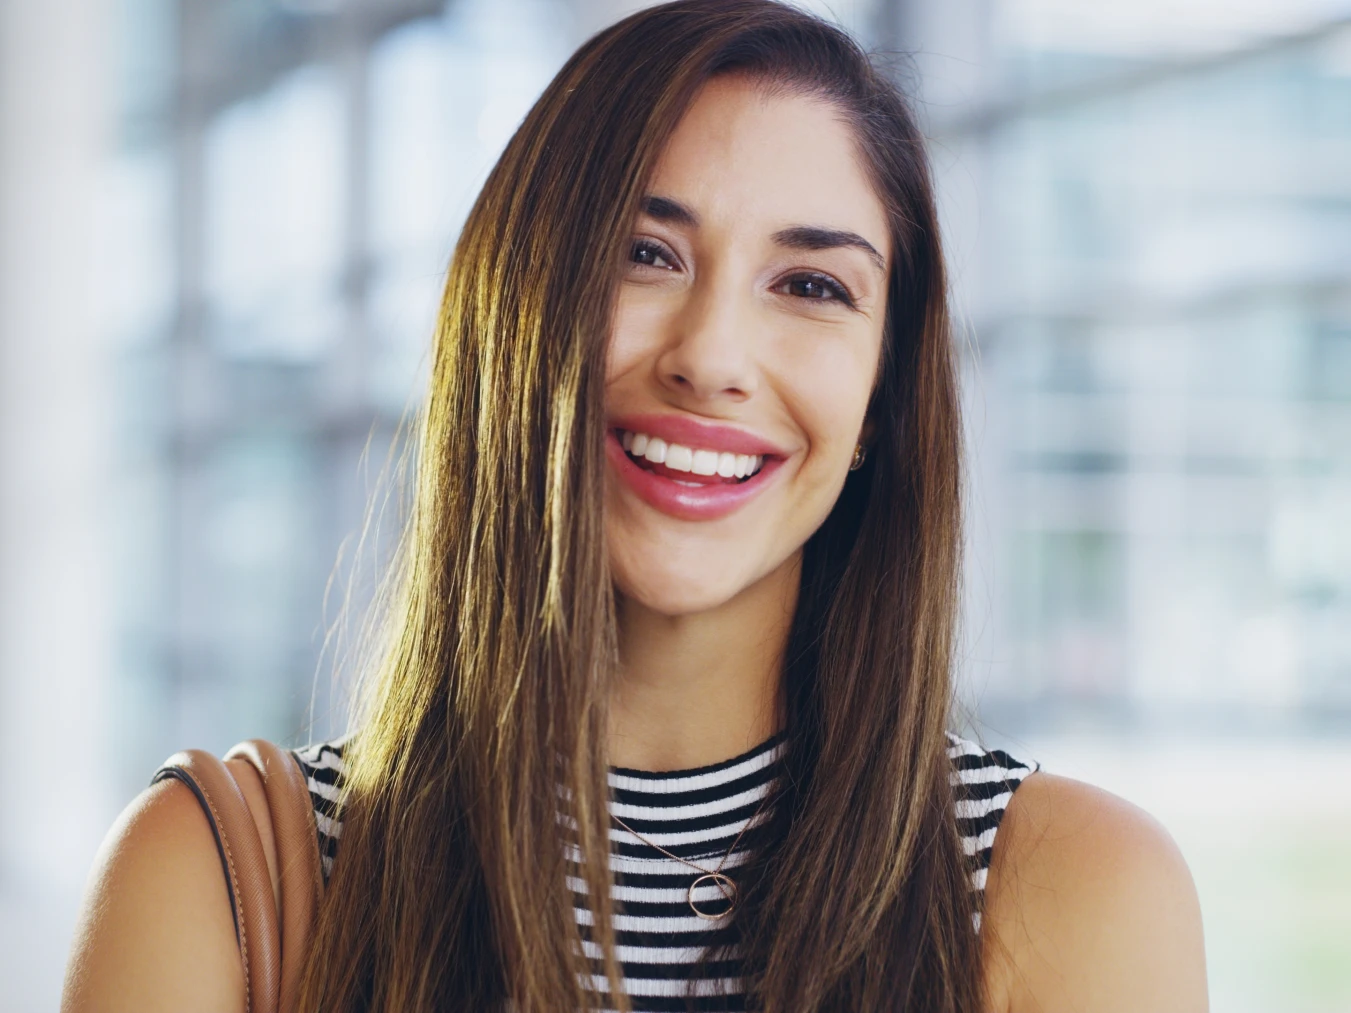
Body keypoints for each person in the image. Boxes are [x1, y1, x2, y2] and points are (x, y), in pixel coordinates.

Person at [59, 2, 1207, 1010]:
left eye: (811, 285)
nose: (711, 357)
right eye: (642, 253)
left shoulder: (1067, 886)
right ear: (514, 317)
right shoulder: (219, 874)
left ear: (880, 405)